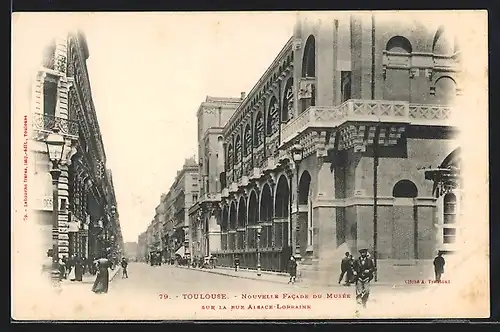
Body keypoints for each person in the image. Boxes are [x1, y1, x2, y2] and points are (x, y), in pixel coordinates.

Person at [353, 248, 375, 315]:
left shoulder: (369, 261)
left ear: (366, 254)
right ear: (360, 254)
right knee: (359, 292)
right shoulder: (356, 261)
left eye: (364, 253)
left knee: (367, 291)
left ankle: (364, 302)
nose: (363, 254)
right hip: (359, 278)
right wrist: (354, 272)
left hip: (366, 278)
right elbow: (353, 267)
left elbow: (373, 268)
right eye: (362, 253)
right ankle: (358, 306)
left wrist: (369, 270)